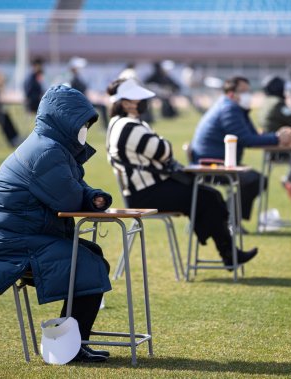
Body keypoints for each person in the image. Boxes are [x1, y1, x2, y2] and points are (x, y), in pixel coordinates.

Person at [0, 85, 112, 363]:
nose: (84, 130)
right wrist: (88, 197)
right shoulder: (47, 152)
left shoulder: (50, 146)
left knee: (91, 257)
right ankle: (73, 346)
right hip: (18, 246)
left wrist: (94, 197)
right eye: (82, 123)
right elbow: (68, 199)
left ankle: (75, 343)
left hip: (23, 237)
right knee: (89, 265)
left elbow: (73, 190)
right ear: (64, 121)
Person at [106, 78, 258, 267]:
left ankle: (227, 252)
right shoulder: (129, 126)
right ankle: (228, 253)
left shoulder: (118, 123)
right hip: (147, 194)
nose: (144, 103)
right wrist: (162, 142)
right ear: (127, 103)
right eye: (139, 99)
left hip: (144, 191)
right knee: (208, 197)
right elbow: (164, 151)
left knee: (208, 196)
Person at [190, 76, 291, 224]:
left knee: (256, 180)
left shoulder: (235, 108)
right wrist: (277, 138)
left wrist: (277, 136)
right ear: (231, 94)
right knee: (255, 180)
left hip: (217, 161)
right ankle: (223, 218)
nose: (248, 95)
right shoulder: (229, 109)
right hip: (212, 164)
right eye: (243, 91)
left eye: (249, 91)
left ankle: (226, 219)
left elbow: (252, 135)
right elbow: (246, 140)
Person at [67, 56, 108, 130]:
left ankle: (105, 126)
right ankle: (105, 127)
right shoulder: (74, 79)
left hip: (83, 100)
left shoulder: (77, 78)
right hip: (81, 102)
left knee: (102, 107)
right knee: (102, 107)